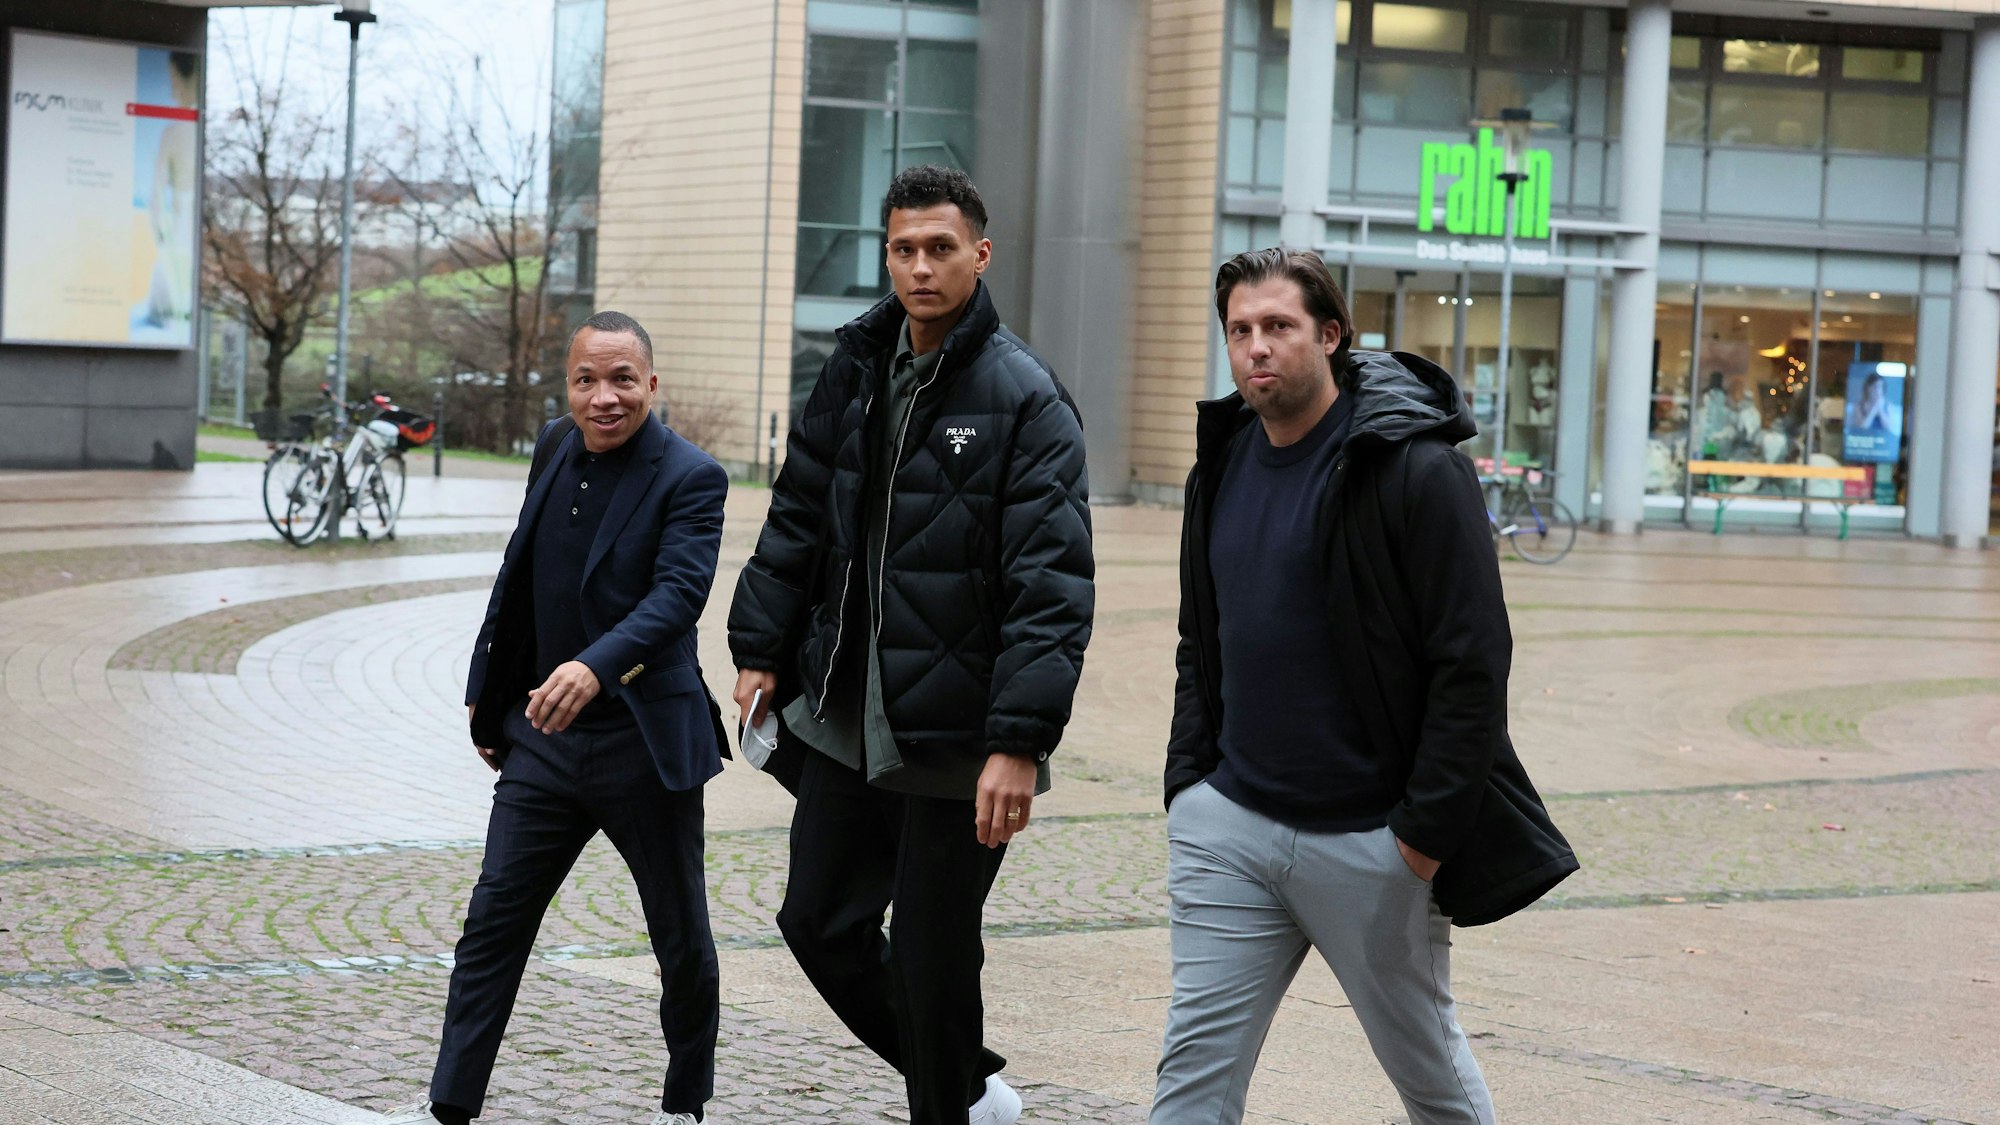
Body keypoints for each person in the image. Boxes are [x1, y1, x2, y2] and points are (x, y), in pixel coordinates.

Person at [1151, 248, 1577, 1125]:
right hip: (1230, 827)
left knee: (1434, 1087)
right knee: (1190, 1082)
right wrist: (1189, 785)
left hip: (1371, 845)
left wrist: (1416, 841)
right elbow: (1203, 639)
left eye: (1279, 327)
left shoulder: (1414, 467)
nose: (1256, 348)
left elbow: (1473, 663)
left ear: (1332, 334)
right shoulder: (1222, 464)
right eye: (1240, 330)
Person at [726, 164, 1094, 1125]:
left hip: (957, 736)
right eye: (903, 248)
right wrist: (761, 645)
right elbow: (800, 511)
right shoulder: (853, 366)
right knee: (816, 922)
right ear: (885, 253)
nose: (920, 267)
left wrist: (1018, 741)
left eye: (940, 248)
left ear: (979, 252)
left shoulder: (1027, 398)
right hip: (848, 715)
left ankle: (950, 1102)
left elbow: (1049, 588)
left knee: (935, 956)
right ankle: (968, 1087)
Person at [389, 311, 732, 1125]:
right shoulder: (552, 444)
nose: (603, 397)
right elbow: (521, 568)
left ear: (652, 383)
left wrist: (594, 665)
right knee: (492, 921)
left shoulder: (692, 476)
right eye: (587, 379)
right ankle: (449, 1105)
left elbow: (677, 597)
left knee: (678, 935)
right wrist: (489, 688)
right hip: (542, 740)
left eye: (622, 379)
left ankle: (685, 1105)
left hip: (642, 744)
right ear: (568, 384)